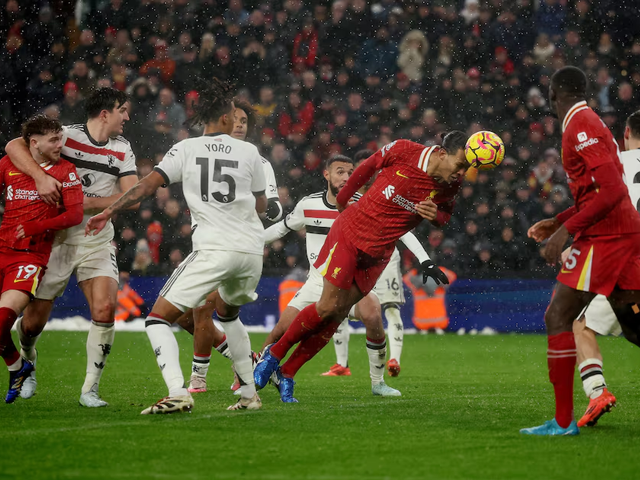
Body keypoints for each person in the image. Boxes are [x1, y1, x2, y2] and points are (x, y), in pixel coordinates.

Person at [86, 78, 268, 414]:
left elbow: (144, 188)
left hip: (214, 248)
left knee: (157, 320)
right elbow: (261, 206)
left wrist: (108, 210)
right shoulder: (250, 152)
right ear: (226, 119)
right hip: (252, 251)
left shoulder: (185, 149)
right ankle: (248, 395)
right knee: (228, 316)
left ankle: (178, 391)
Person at [254, 131, 471, 402]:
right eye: (460, 164)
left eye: (467, 168)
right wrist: (344, 199)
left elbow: (444, 216)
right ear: (441, 153)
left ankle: (288, 371)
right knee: (327, 307)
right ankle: (272, 357)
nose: (461, 173)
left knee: (336, 315)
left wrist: (435, 217)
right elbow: (368, 166)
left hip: (378, 254)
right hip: (350, 236)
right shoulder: (404, 150)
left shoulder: (450, 184)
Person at [522, 67, 640, 436]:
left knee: (558, 316)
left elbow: (611, 193)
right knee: (634, 325)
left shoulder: (580, 125)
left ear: (556, 95)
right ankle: (566, 416)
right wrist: (559, 220)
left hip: (607, 238)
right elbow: (600, 190)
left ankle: (561, 422)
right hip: (621, 232)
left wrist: (565, 233)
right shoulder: (591, 122)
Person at [6, 88, 138, 407]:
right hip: (57, 238)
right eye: (123, 110)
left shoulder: (122, 149)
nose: (127, 117)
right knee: (34, 322)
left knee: (105, 310)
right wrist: (39, 177)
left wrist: (92, 203)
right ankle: (28, 362)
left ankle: (90, 389)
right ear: (105, 113)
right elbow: (13, 145)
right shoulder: (65, 136)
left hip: (96, 238)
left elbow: (132, 196)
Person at [263, 153, 411, 401]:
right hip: (317, 281)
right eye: (340, 171)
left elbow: (398, 229)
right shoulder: (308, 204)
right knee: (280, 330)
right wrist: (249, 242)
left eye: (350, 172)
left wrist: (425, 258)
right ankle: (248, 375)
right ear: (326, 174)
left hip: (352, 283)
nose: (345, 177)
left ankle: (378, 383)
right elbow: (282, 228)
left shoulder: (365, 203)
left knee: (374, 314)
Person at [174, 98, 282, 394]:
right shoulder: (199, 151)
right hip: (206, 238)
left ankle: (198, 376)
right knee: (182, 314)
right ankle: (246, 359)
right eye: (234, 119)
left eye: (245, 121)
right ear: (223, 120)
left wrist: (271, 209)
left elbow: (273, 204)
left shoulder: (257, 160)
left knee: (204, 307)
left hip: (236, 242)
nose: (239, 124)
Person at [323, 150, 433, 378]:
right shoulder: (348, 198)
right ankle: (341, 364)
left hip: (385, 260)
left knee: (391, 308)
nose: (367, 174)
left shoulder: (386, 194)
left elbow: (405, 231)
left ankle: (395, 359)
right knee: (338, 308)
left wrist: (425, 260)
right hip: (356, 258)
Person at [0, 115, 83, 402]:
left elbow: (74, 215)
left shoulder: (66, 171)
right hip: (2, 249)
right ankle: (18, 367)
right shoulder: (9, 165)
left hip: (30, 257)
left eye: (60, 138)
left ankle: (19, 366)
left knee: (2, 322)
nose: (60, 144)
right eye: (53, 140)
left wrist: (37, 226)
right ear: (34, 143)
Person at [569, 110, 640, 428]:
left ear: (625, 134)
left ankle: (597, 392)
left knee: (581, 326)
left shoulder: (615, 170)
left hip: (627, 263)